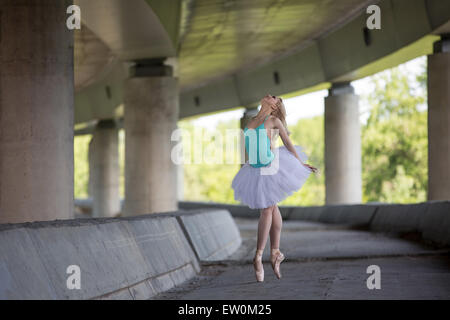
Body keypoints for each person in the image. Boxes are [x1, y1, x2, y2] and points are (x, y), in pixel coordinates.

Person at [231, 94, 318, 282]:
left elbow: (287, 143)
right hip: (254, 170)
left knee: (267, 209)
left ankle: (258, 256)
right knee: (272, 207)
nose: (268, 95)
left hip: (271, 167)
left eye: (273, 97)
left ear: (274, 105)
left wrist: (301, 163)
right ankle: (275, 253)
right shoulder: (253, 120)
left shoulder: (273, 121)